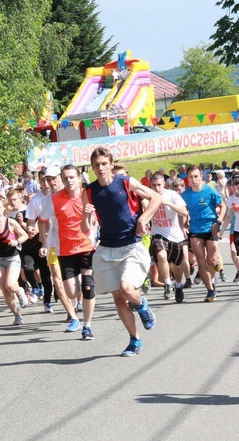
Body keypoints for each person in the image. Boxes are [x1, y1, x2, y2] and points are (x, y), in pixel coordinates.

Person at [83, 147, 160, 357]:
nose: (100, 168)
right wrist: (84, 215)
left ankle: (141, 302)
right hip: (107, 248)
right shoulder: (89, 191)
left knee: (127, 289)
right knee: (118, 298)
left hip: (131, 245)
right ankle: (134, 340)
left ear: (111, 164)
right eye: (96, 165)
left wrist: (143, 219)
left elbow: (156, 198)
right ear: (92, 167)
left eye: (104, 164)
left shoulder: (126, 182)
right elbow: (85, 229)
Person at [44, 165, 97, 340]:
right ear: (62, 179)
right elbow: (42, 220)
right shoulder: (54, 199)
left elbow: (99, 217)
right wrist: (45, 241)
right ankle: (78, 291)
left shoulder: (87, 195)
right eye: (65, 178)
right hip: (65, 250)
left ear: (79, 178)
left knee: (88, 287)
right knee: (72, 292)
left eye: (72, 177)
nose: (69, 181)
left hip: (86, 247)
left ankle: (87, 326)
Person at [33, 167, 78, 330]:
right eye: (47, 179)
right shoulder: (47, 200)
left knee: (73, 283)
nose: (50, 182)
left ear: (61, 177)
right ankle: (72, 315)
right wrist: (44, 243)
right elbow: (41, 221)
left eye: (53, 178)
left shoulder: (75, 194)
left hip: (73, 243)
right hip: (53, 244)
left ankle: (74, 301)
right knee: (57, 279)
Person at [181, 165, 226, 302]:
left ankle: (212, 277)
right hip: (195, 230)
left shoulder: (209, 191)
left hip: (211, 228)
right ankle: (210, 290)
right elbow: (182, 211)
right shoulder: (185, 195)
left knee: (211, 261)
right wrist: (183, 225)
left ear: (201, 176)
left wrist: (218, 221)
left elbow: (223, 206)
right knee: (201, 261)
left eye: (196, 176)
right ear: (187, 178)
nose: (193, 179)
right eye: (190, 177)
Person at [149, 172, 190, 303]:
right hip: (158, 234)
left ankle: (178, 286)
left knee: (177, 267)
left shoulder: (172, 195)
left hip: (175, 236)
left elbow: (184, 212)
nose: (157, 188)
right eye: (154, 185)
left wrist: (169, 204)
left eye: (159, 185)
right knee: (161, 255)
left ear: (164, 184)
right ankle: (167, 284)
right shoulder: (149, 196)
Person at [0, 198, 29, 325]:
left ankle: (20, 291)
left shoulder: (10, 222)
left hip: (12, 257)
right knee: (5, 290)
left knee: (10, 285)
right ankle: (17, 315)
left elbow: (25, 235)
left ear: (4, 208)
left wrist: (17, 242)